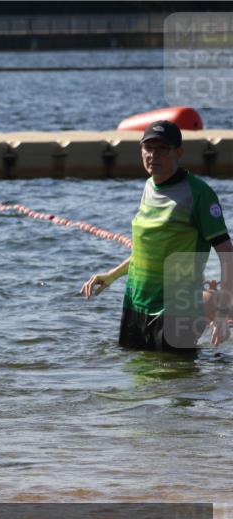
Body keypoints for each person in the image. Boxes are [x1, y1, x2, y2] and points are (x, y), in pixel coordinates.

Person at [82, 120, 231, 352]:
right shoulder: (150, 186)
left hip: (177, 309)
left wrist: (222, 314)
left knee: (176, 381)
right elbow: (147, 252)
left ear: (178, 152)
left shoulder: (199, 193)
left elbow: (227, 255)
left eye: (162, 149)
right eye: (148, 148)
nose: (153, 155)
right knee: (140, 380)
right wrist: (112, 276)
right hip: (137, 304)